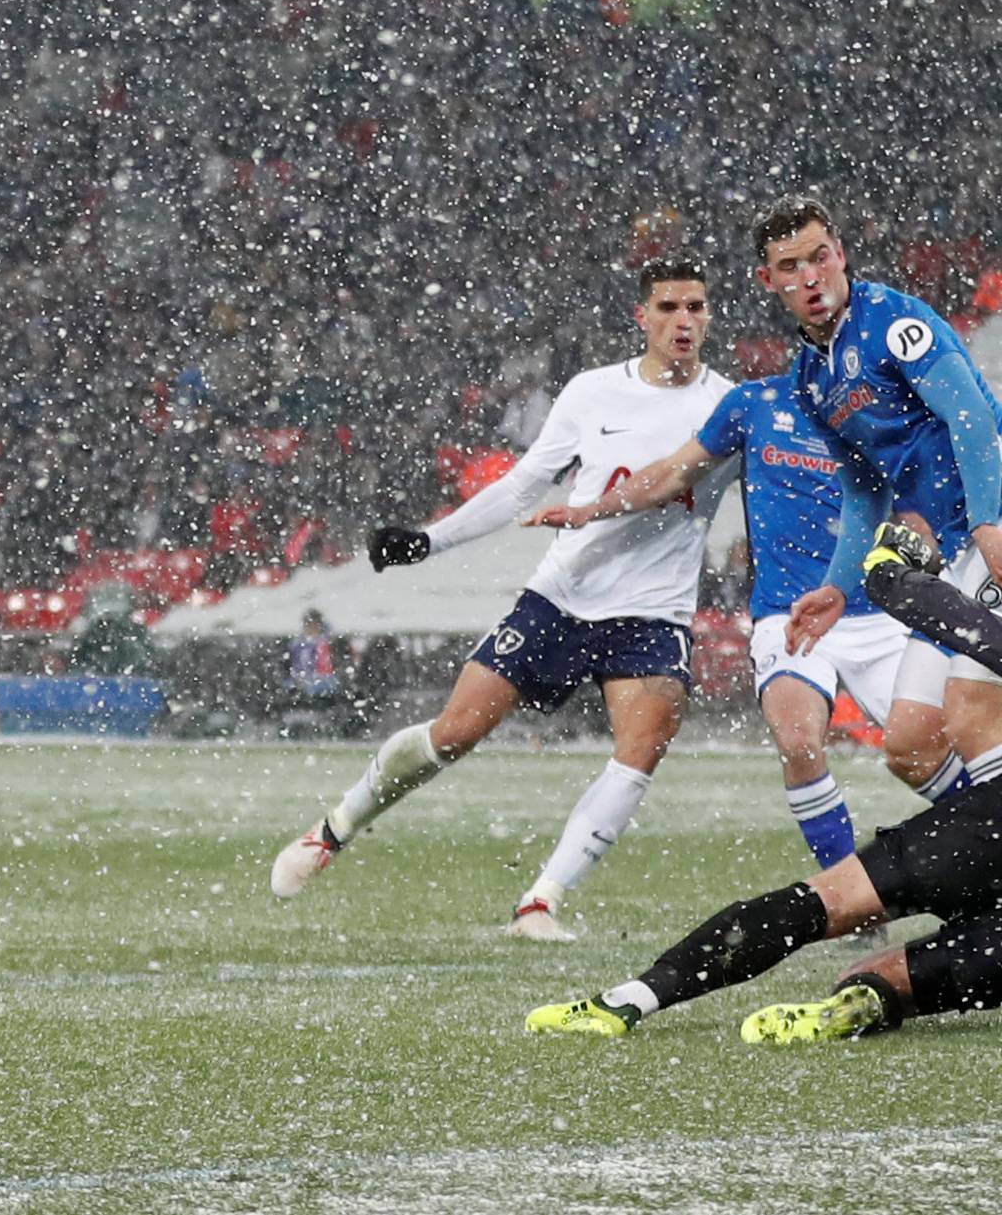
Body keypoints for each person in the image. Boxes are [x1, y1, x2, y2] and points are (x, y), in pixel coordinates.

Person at [270, 254, 734, 940]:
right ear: (642, 317)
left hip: (652, 609)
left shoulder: (731, 405)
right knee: (453, 734)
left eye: (696, 306)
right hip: (563, 596)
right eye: (668, 307)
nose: (684, 320)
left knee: (644, 745)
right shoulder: (593, 392)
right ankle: (334, 828)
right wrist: (430, 541)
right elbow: (522, 487)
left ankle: (540, 901)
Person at [527, 524, 1002, 1043]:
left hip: (989, 820)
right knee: (884, 974)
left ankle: (630, 999)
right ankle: (874, 997)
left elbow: (970, 627)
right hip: (987, 814)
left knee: (820, 903)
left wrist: (892, 577)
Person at [522, 374, 968, 877]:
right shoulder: (756, 404)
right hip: (789, 616)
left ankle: (986, 851)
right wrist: (591, 509)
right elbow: (672, 473)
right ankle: (849, 893)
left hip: (880, 617)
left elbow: (924, 504)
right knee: (798, 743)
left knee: (925, 755)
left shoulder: (884, 409)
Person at [764, 195, 1002, 799]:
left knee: (973, 714)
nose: (811, 277)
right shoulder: (810, 380)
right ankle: (987, 858)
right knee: (909, 745)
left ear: (841, 255)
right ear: (769, 281)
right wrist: (839, 588)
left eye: (820, 257)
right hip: (955, 555)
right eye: (791, 267)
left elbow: (971, 416)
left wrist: (990, 524)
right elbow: (864, 491)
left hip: (987, 529)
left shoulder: (892, 321)